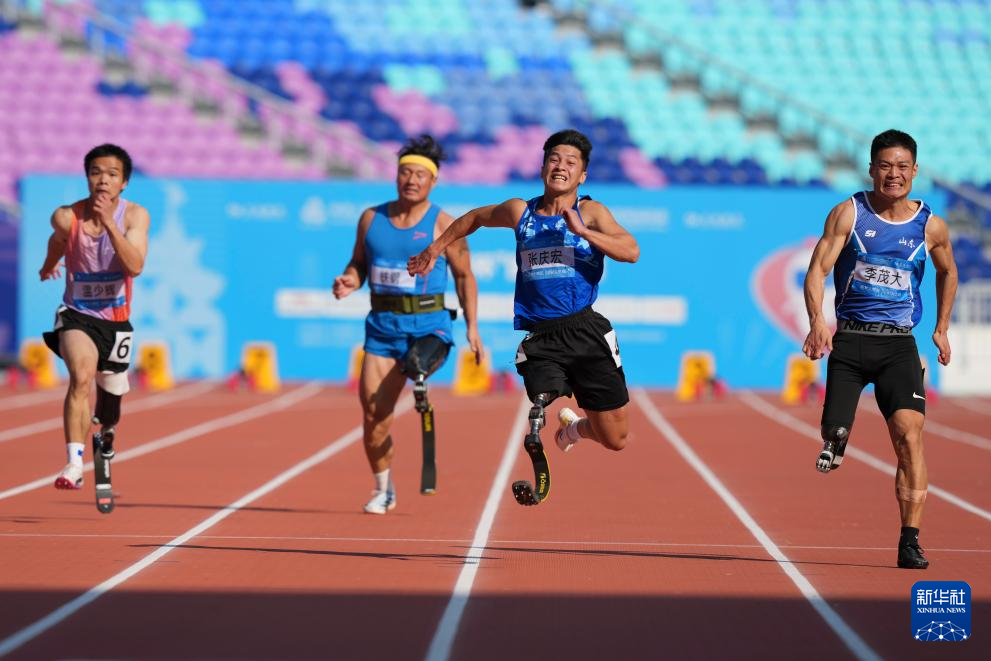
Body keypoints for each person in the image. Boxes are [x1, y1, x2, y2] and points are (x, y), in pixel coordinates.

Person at [408, 129, 640, 489]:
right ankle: (540, 415)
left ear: (582, 175)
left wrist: (584, 231)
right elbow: (475, 218)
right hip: (542, 337)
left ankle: (574, 429)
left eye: (570, 162)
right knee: (540, 398)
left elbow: (631, 251)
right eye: (554, 159)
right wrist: (437, 248)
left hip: (587, 331)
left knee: (616, 439)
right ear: (543, 166)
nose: (560, 166)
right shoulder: (521, 212)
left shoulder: (591, 212)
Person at [802, 129, 958, 569]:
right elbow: (816, 271)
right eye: (886, 166)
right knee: (833, 430)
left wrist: (942, 327)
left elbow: (949, 272)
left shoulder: (931, 225)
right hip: (851, 340)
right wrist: (818, 322)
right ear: (872, 169)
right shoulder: (847, 214)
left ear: (915, 172)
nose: (894, 174)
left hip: (898, 347)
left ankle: (910, 539)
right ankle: (838, 437)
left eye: (902, 167)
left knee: (910, 437)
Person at [333, 135, 484, 515]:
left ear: (433, 182)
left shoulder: (444, 224)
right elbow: (358, 263)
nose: (411, 180)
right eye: (405, 172)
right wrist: (351, 278)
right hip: (382, 329)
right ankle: (384, 488)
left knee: (417, 364)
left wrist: (472, 328)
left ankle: (418, 374)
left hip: (429, 325)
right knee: (373, 415)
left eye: (420, 174)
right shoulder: (371, 218)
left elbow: (465, 277)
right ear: (396, 176)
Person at [39, 143, 150, 490]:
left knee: (110, 403)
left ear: (124, 183)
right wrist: (47, 266)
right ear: (87, 177)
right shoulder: (66, 216)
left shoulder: (135, 216)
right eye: (96, 172)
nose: (103, 180)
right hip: (77, 315)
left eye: (112, 174)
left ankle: (108, 433)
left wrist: (108, 224)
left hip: (116, 322)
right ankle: (74, 463)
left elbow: (135, 265)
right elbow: (58, 240)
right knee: (80, 376)